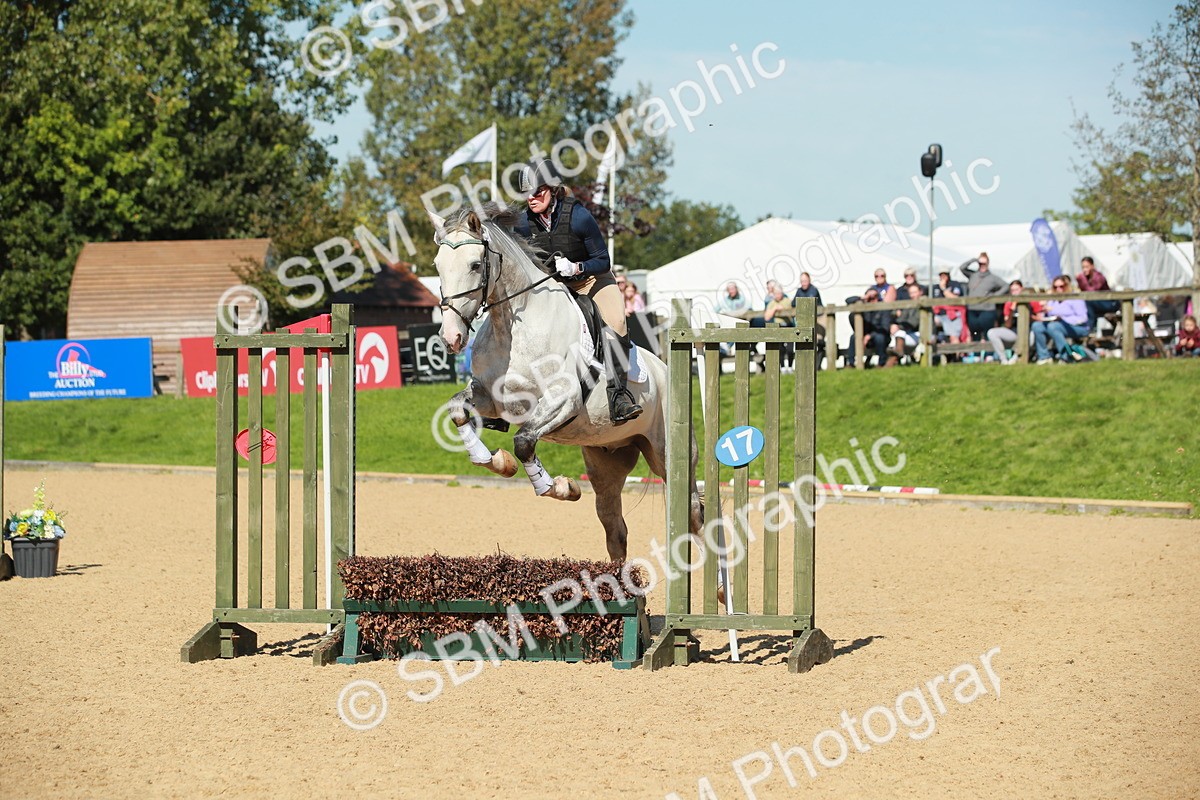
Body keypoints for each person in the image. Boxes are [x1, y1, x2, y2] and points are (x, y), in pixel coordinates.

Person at [513, 158, 641, 423]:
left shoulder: (579, 217)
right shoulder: (524, 223)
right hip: (556, 286)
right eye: (527, 194)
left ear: (553, 189)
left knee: (616, 321)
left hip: (593, 280)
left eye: (538, 192)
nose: (532, 198)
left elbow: (603, 260)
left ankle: (619, 397)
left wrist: (577, 266)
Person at [1031, 277, 1090, 364]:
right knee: (1037, 326)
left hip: (1077, 327)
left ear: (1067, 286)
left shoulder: (1075, 298)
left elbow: (1082, 318)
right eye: (1055, 287)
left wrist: (1063, 319)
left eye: (1061, 286)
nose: (1058, 289)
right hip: (1055, 325)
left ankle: (1066, 356)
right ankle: (1044, 357)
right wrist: (1042, 316)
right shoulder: (1052, 299)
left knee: (1053, 326)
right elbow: (1049, 315)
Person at [985, 280, 1044, 364]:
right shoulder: (1009, 303)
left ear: (1022, 289)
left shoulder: (1032, 301)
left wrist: (1028, 317)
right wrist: (1011, 311)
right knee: (992, 333)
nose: (1015, 293)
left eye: (1017, 290)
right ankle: (1003, 360)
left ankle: (1015, 358)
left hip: (1029, 330)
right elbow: (1007, 325)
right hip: (1014, 331)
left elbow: (1040, 318)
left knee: (1031, 337)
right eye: (1012, 290)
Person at [959, 251, 1008, 340]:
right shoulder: (973, 275)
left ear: (988, 263)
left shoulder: (993, 278)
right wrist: (974, 260)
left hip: (987, 310)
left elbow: (1005, 286)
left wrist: (995, 296)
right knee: (975, 333)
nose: (982, 265)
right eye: (980, 263)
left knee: (988, 334)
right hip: (972, 309)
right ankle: (976, 353)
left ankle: (988, 354)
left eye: (984, 263)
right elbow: (962, 268)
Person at [847, 288, 890, 367]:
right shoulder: (863, 307)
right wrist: (862, 298)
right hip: (864, 336)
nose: (872, 299)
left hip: (879, 336)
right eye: (870, 297)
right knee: (854, 337)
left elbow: (885, 328)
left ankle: (881, 364)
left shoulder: (883, 308)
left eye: (875, 296)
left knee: (879, 337)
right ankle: (851, 363)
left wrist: (870, 335)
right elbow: (848, 301)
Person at [1075, 256, 1120, 330]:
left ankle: (1090, 328)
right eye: (1083, 267)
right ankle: (1085, 326)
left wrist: (1081, 280)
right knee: (1083, 303)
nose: (1084, 269)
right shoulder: (1086, 278)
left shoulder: (1099, 277)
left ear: (1092, 266)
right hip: (1097, 304)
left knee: (1089, 302)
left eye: (1087, 267)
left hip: (1109, 303)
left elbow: (1092, 293)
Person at [887, 283, 923, 365]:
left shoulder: (923, 305)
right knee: (897, 335)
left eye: (914, 292)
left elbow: (914, 323)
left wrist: (899, 327)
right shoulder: (910, 305)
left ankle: (897, 354)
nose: (912, 295)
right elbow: (901, 319)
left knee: (899, 334)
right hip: (908, 334)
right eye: (911, 293)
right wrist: (895, 325)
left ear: (920, 292)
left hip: (920, 334)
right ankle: (893, 360)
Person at [931, 268, 965, 342]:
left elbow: (955, 299)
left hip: (952, 315)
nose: (943, 277)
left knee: (954, 336)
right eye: (941, 275)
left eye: (945, 274)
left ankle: (957, 352)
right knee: (931, 325)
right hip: (938, 315)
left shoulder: (954, 284)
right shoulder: (935, 287)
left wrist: (943, 289)